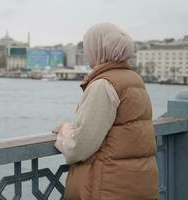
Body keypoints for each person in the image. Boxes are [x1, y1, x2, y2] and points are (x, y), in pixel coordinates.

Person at [53, 23, 158, 200]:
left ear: (98, 49)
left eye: (88, 47)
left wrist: (64, 131)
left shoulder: (103, 85)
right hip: (136, 185)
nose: (86, 54)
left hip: (107, 188)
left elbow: (79, 147)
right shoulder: (135, 79)